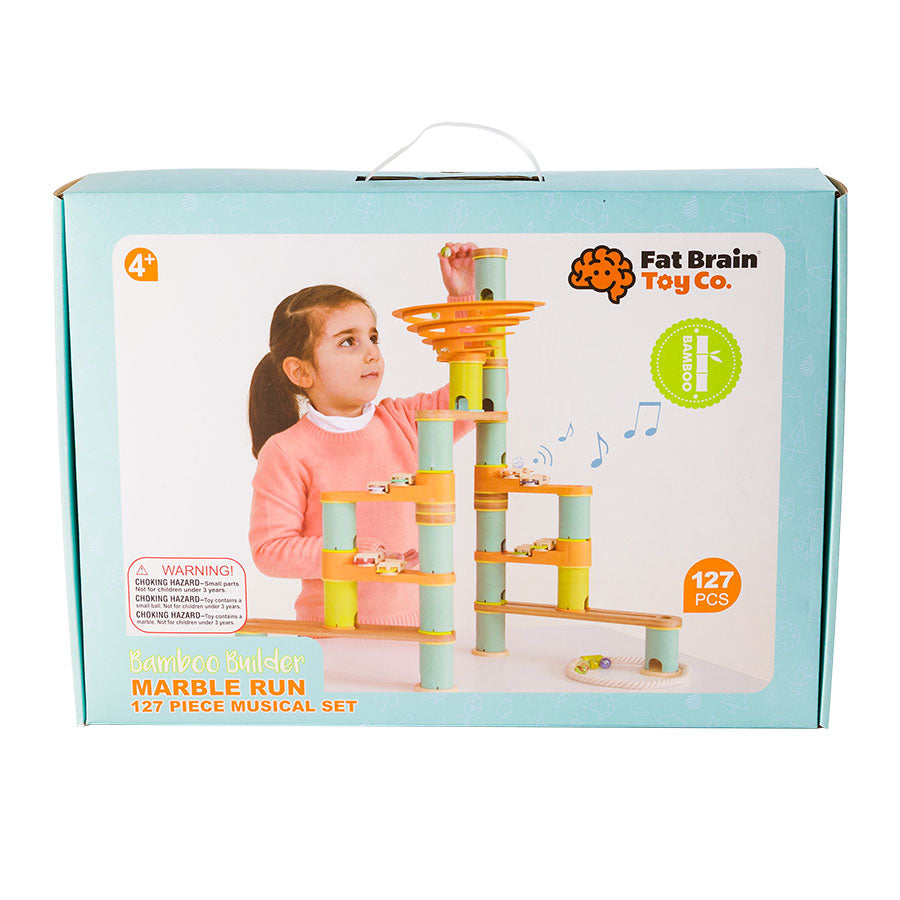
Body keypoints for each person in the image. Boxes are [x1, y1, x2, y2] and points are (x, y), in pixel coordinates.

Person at [248, 242, 479, 626]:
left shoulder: (405, 420)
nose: (372, 353)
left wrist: (465, 302)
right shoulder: (286, 451)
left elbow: (481, 395)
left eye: (373, 337)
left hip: (416, 628)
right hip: (331, 636)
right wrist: (350, 551)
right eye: (348, 341)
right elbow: (270, 550)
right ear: (301, 372)